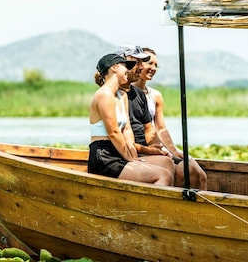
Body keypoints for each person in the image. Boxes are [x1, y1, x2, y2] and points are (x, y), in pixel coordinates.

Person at [88, 53, 174, 186]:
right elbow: (114, 133)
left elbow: (127, 130)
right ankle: (149, 206)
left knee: (166, 162)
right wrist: (130, 160)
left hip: (120, 152)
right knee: (163, 175)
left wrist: (133, 156)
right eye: (125, 66)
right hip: (104, 156)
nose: (129, 71)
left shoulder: (122, 95)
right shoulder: (104, 95)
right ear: (114, 68)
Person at [133, 47, 207, 190]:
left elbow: (161, 128)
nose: (153, 68)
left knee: (198, 172)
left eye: (156, 65)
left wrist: (173, 150)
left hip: (157, 143)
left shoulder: (155, 95)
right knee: (181, 173)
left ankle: (203, 208)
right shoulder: (128, 94)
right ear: (139, 65)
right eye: (150, 63)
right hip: (141, 146)